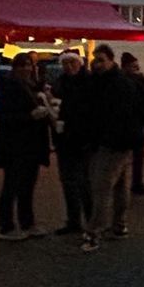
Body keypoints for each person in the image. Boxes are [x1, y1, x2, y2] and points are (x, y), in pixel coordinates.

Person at [82, 44, 142, 252]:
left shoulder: (114, 84)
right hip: (123, 141)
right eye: (95, 60)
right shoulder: (119, 81)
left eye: (100, 60)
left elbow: (109, 114)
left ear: (110, 60)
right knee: (120, 186)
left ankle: (94, 231)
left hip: (112, 142)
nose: (96, 64)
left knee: (101, 186)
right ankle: (119, 225)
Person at [0, 52, 52, 241]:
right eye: (23, 65)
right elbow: (4, 117)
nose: (27, 68)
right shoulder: (10, 87)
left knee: (27, 185)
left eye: (29, 65)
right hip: (14, 145)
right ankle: (6, 226)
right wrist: (31, 116)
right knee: (11, 185)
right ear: (15, 68)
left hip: (31, 144)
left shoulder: (32, 86)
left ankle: (27, 222)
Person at [51, 51, 93, 235]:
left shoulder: (88, 82)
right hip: (63, 139)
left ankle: (92, 220)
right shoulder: (61, 82)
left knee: (84, 182)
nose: (69, 67)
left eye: (72, 63)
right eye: (65, 63)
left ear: (79, 63)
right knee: (68, 181)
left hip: (83, 139)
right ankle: (73, 220)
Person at [120, 52, 144, 195]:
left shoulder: (127, 80)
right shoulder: (136, 81)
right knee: (134, 155)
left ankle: (132, 183)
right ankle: (134, 183)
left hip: (134, 123)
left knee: (133, 155)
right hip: (133, 123)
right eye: (134, 66)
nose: (137, 69)